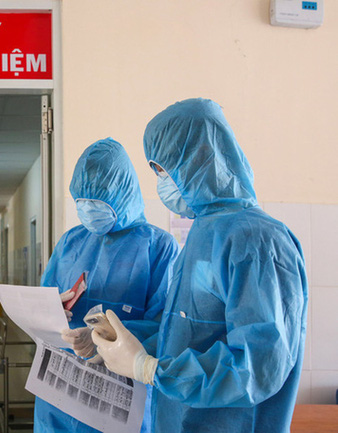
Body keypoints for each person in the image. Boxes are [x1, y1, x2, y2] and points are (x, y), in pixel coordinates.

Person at [92, 99, 308, 432]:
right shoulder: (203, 232)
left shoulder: (258, 241)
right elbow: (185, 333)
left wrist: (148, 368)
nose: (161, 181)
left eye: (163, 169)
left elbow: (258, 366)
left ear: (200, 160)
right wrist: (123, 339)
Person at [34, 138, 180, 433]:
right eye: (82, 202)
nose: (88, 210)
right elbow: (42, 302)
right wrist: (51, 311)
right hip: (58, 398)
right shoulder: (70, 241)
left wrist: (104, 337)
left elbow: (166, 326)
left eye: (97, 203)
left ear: (123, 194)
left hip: (119, 400)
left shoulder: (158, 247)